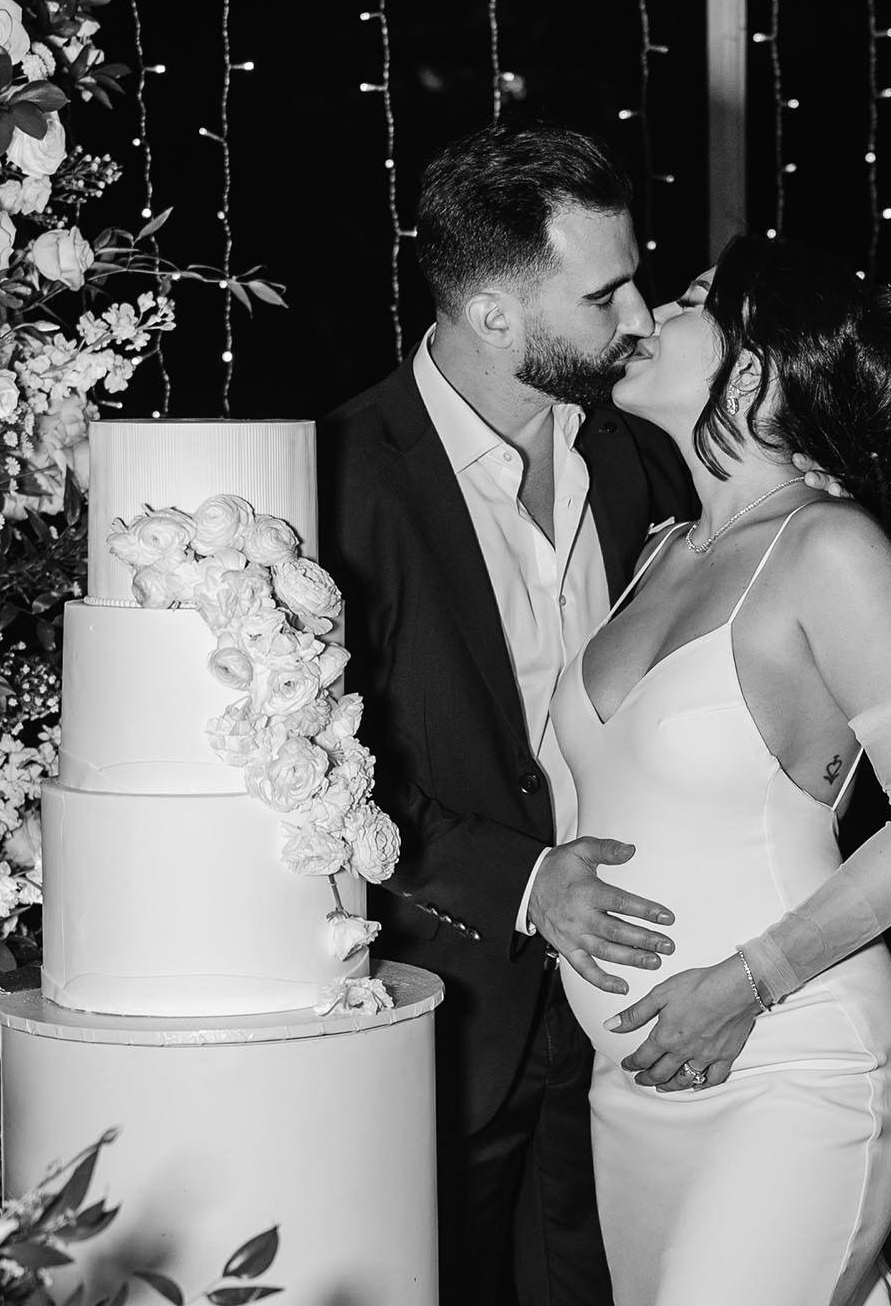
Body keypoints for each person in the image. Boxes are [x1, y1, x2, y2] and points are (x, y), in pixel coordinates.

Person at [320, 121, 698, 1305]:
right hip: (447, 1009)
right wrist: (526, 882)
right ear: (493, 313)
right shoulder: (338, 480)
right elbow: (319, 774)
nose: (637, 315)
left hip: (631, 1007)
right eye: (604, 292)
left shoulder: (634, 461)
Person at [551, 234, 891, 1306]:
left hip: (794, 1056)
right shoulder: (653, 552)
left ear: (754, 363)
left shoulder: (827, 549)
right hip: (633, 1087)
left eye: (688, 300)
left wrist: (748, 982)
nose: (643, 316)